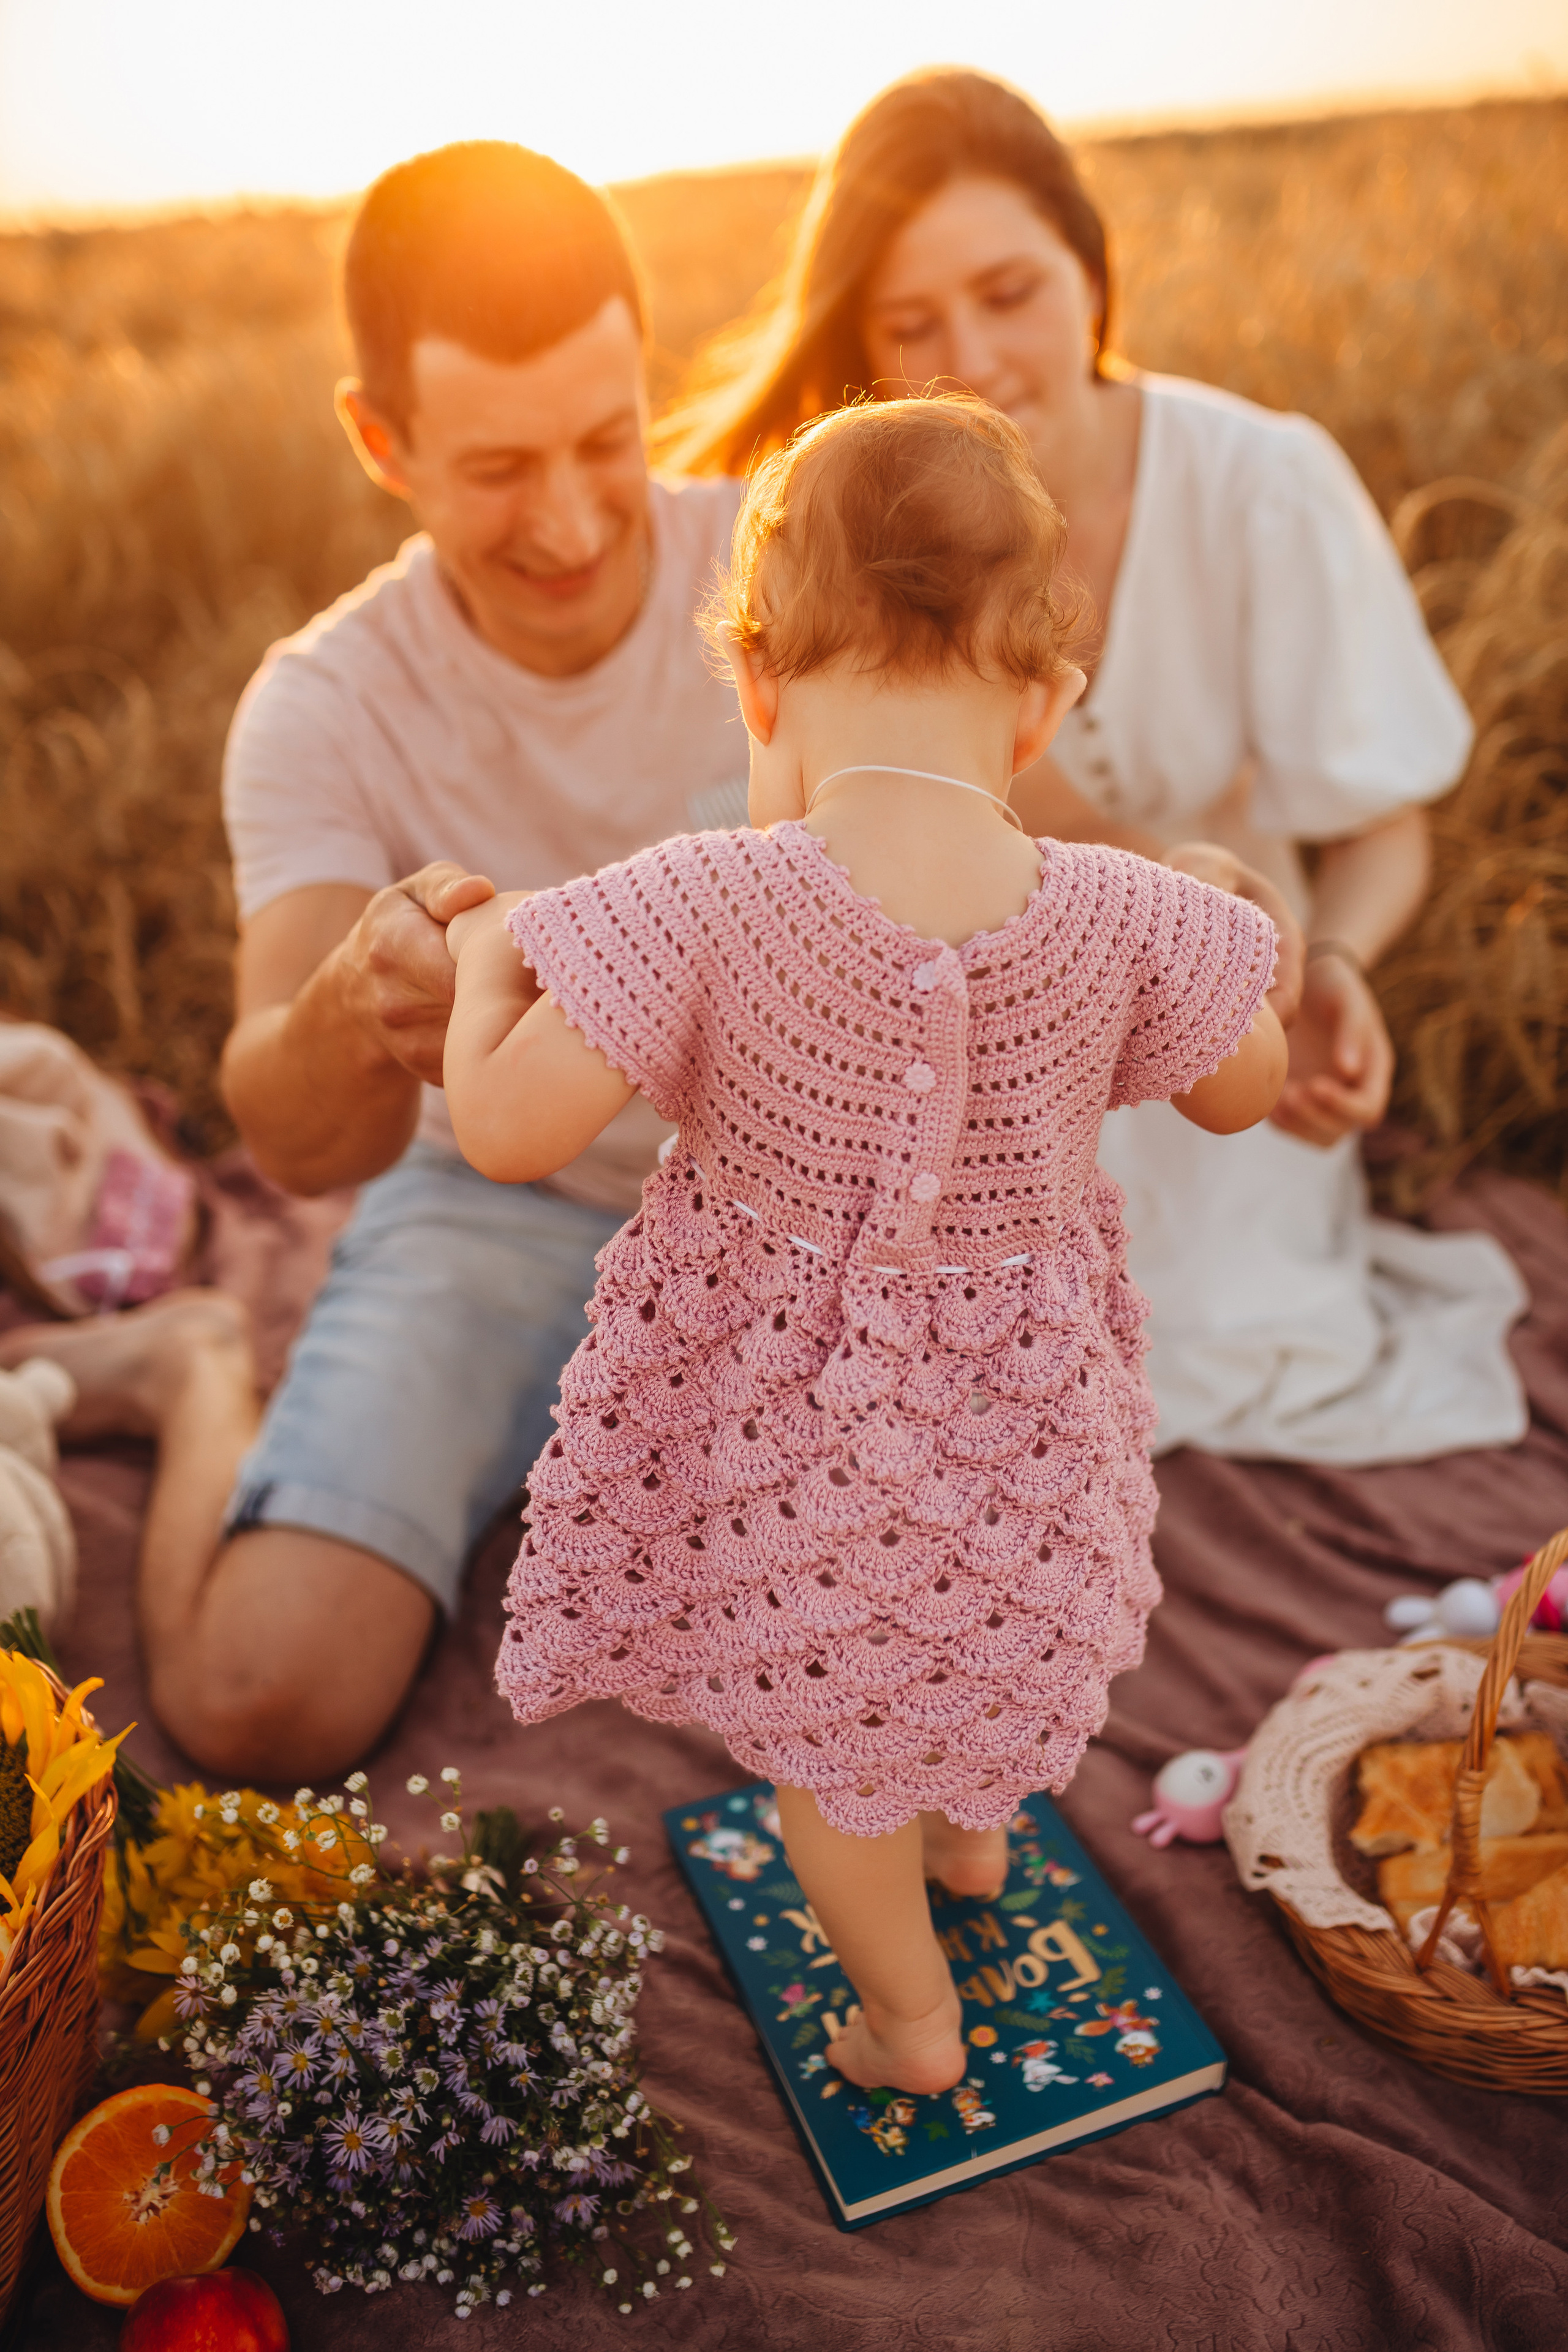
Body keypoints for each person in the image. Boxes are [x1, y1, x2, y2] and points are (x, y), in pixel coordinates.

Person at [441, 394, 1287, 2092]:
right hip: (1025, 1450)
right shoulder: (1123, 914)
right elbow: (1245, 1085)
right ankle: (977, 1852)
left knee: (833, 1768)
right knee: (978, 1647)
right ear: (1040, 706)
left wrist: (482, 979)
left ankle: (908, 2022)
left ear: (757, 684)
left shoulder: (695, 896)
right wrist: (1228, 914)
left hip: (805, 1461)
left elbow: (505, 1132)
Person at [0, 142, 749, 1778]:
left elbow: (1048, 834)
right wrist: (350, 1004)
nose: (566, 522)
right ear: (378, 441)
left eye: (606, 443)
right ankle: (201, 1363)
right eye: (495, 468)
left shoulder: (785, 569)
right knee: (263, 1705)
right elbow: (287, 1123)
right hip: (493, 1204)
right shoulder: (323, 703)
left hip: (796, 1207)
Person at [660, 68, 1528, 1467]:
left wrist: (1336, 971)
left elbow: (1381, 828)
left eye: (1009, 293)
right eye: (911, 323)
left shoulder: (1260, 481)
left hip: (1220, 1044)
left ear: (1089, 273)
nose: (971, 357)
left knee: (1213, 1340)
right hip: (953, 1071)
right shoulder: (840, 535)